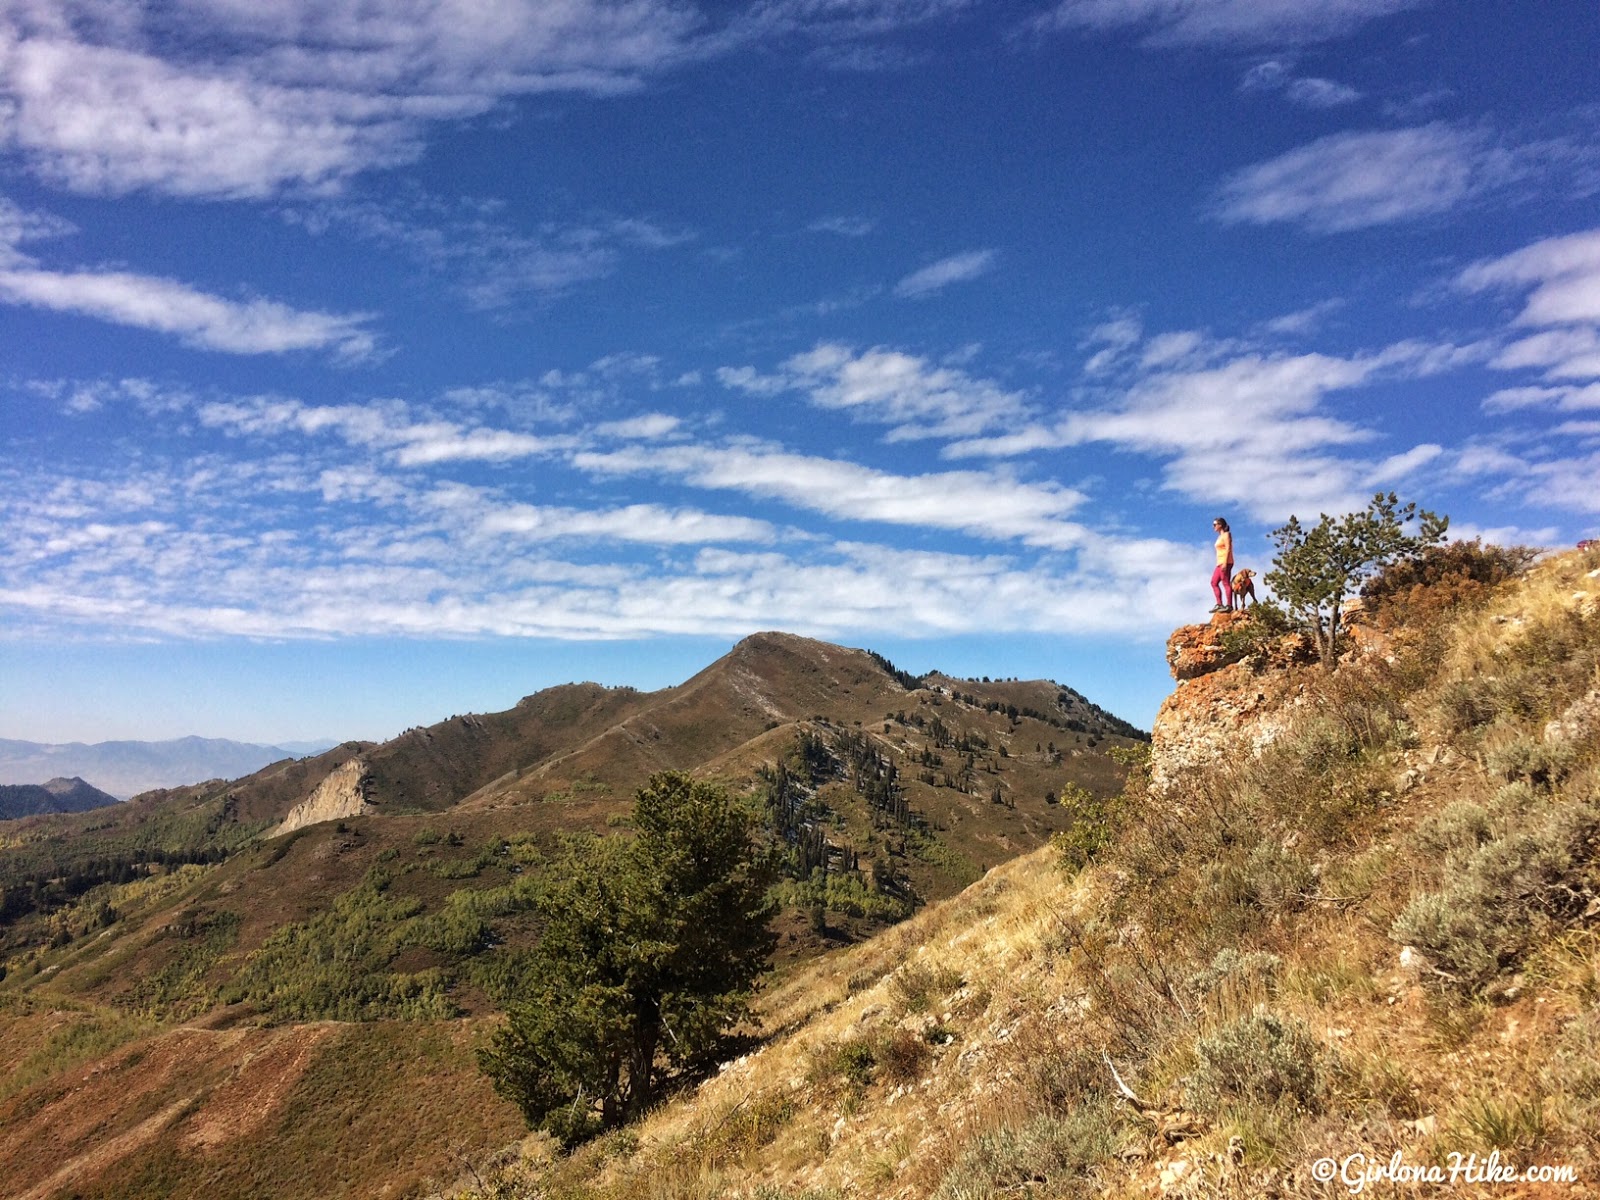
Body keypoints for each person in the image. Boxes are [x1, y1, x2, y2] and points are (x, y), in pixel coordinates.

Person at [1210, 517, 1233, 613]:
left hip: (1226, 562)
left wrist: (1224, 563)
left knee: (1225, 582)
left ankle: (1229, 605)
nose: (1213, 526)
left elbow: (1228, 549)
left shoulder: (1226, 535)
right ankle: (1219, 604)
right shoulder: (1219, 537)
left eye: (1215, 524)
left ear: (1220, 525)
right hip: (1219, 563)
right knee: (1213, 582)